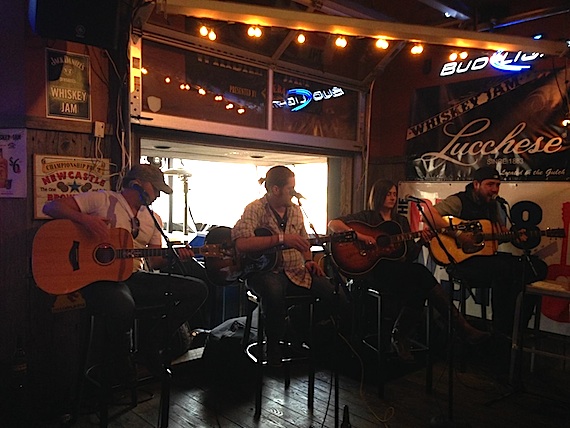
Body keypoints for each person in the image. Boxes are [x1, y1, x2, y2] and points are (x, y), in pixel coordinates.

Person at [42, 164, 209, 384]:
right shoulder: (102, 200)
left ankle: (152, 345)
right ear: (137, 184)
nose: (158, 195)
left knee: (198, 289)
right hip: (99, 279)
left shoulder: (154, 218)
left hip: (133, 276)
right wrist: (87, 220)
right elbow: (51, 207)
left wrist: (176, 256)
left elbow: (155, 261)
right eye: (155, 189)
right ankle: (121, 365)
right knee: (122, 305)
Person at [328, 179, 488, 361]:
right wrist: (362, 236)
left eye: (395, 194)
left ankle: (403, 335)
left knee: (420, 284)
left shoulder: (400, 222)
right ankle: (455, 329)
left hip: (396, 272)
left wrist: (422, 242)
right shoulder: (367, 217)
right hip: (373, 272)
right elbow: (334, 224)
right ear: (379, 195)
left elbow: (409, 255)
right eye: (388, 194)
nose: (392, 198)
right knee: (420, 276)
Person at [232, 166, 350, 366]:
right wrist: (280, 239)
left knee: (334, 294)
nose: (294, 193)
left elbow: (304, 243)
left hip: (297, 271)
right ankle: (274, 345)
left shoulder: (296, 211)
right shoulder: (255, 209)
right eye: (290, 188)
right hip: (264, 271)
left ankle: (298, 326)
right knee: (274, 291)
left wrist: (310, 261)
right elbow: (242, 244)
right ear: (275, 189)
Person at [422, 166, 546, 338]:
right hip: (461, 262)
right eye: (490, 184)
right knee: (503, 270)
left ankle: (515, 327)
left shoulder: (494, 205)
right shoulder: (459, 201)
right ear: (476, 184)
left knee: (535, 268)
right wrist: (459, 235)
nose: (494, 189)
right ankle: (502, 330)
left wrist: (512, 237)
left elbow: (493, 236)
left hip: (485, 258)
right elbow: (428, 215)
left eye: (497, 184)